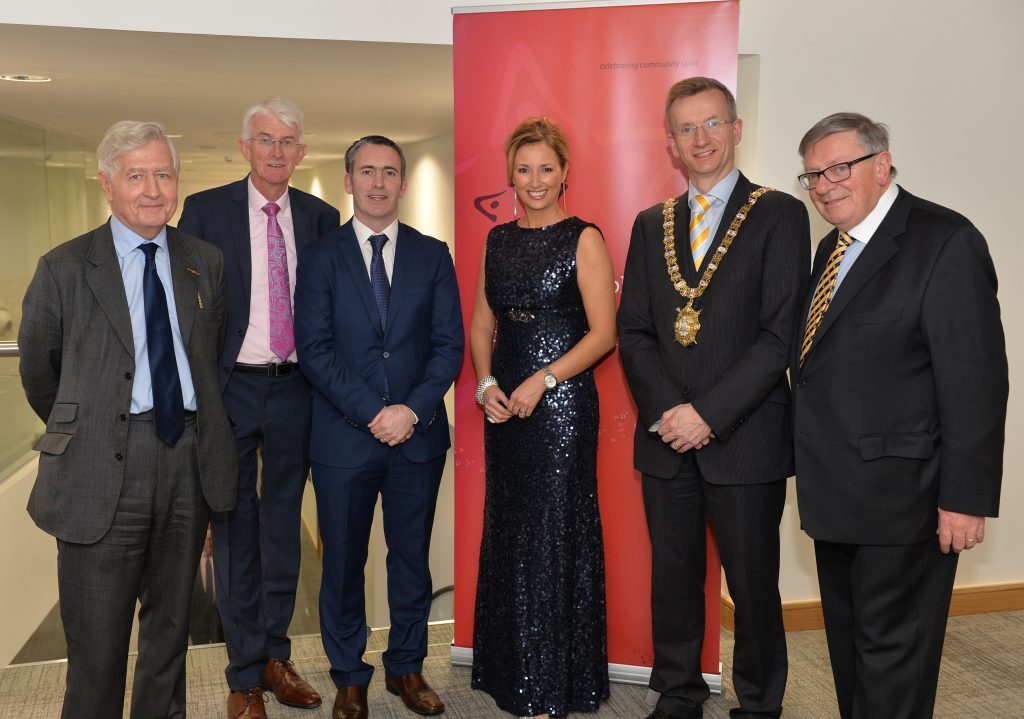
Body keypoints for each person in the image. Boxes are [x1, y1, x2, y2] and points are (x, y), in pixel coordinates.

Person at [18, 120, 237, 719]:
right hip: (99, 469)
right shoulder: (63, 268)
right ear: (107, 186)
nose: (152, 190)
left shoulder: (204, 262)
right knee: (97, 647)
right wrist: (94, 429)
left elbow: (208, 356)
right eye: (136, 175)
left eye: (163, 174)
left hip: (185, 460)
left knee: (170, 635)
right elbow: (42, 373)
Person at [792, 112, 1008, 719]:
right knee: (851, 654)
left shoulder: (944, 241)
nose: (825, 185)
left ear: (882, 163)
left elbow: (976, 382)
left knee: (895, 661)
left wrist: (965, 498)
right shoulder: (831, 250)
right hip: (835, 499)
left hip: (905, 503)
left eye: (839, 167)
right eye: (812, 175)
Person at [617, 77, 810, 719]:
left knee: (753, 584)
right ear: (670, 142)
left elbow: (779, 334)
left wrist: (709, 415)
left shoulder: (780, 213)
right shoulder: (650, 225)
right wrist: (672, 414)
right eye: (686, 129)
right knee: (672, 582)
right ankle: (678, 693)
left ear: (736, 128)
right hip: (666, 438)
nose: (701, 139)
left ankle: (758, 702)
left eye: (712, 124)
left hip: (745, 436)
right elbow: (636, 332)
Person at [179, 97, 340, 719]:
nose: (277, 152)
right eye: (266, 140)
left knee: (283, 527)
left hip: (298, 387)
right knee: (234, 524)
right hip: (231, 390)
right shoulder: (205, 211)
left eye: (288, 142)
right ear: (244, 147)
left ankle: (276, 655)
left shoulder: (323, 217)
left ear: (302, 153)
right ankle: (243, 672)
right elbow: (189, 315)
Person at [294, 135, 464, 719]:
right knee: (343, 560)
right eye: (367, 171)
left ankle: (407, 669)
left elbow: (448, 347)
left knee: (410, 558)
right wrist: (373, 413)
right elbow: (314, 350)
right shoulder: (320, 258)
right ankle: (349, 676)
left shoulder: (433, 254)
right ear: (348, 181)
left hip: (417, 438)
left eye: (390, 172)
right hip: (344, 438)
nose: (377, 183)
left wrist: (409, 412)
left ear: (403, 183)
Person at [470, 117, 617, 718]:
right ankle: (511, 672)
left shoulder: (585, 238)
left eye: (546, 169)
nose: (535, 180)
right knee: (510, 527)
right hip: (504, 408)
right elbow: (483, 323)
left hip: (560, 411)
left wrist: (543, 379)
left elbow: (604, 334)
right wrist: (485, 383)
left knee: (555, 531)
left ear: (565, 175)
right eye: (524, 168)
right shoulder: (496, 240)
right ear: (511, 173)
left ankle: (555, 679)